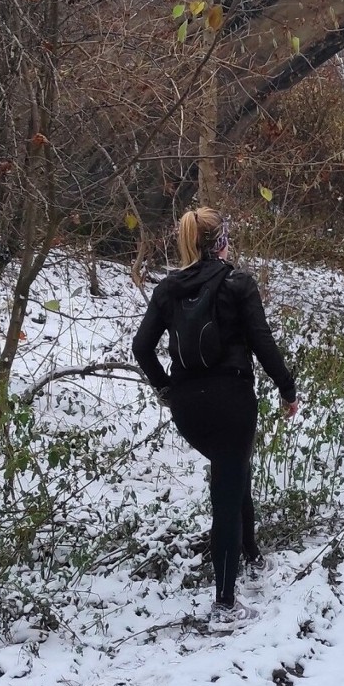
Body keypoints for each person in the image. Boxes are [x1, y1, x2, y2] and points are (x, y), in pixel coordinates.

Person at [132, 207, 297, 627]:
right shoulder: (237, 282)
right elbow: (262, 341)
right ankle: (225, 603)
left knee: (232, 469)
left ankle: (253, 556)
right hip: (231, 398)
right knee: (227, 488)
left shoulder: (168, 288)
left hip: (189, 406)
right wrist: (286, 387)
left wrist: (167, 389)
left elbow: (142, 348)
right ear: (221, 240)